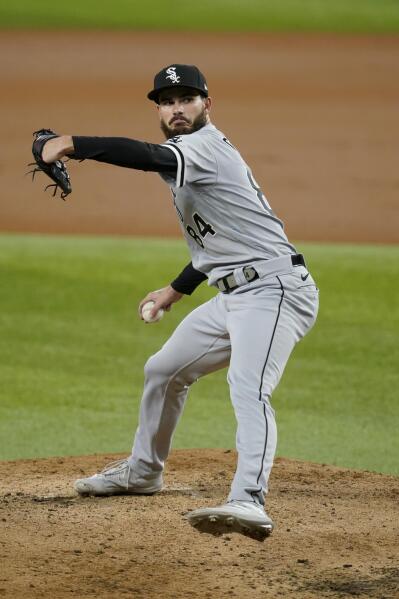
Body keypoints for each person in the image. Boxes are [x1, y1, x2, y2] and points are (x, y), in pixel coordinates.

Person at [38, 64, 319, 539]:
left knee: (248, 387)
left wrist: (71, 144)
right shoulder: (189, 155)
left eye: (186, 99)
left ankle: (249, 499)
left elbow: (145, 156)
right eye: (167, 102)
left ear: (207, 104)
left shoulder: (204, 148)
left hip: (274, 291)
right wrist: (174, 291)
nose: (176, 109)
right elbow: (219, 244)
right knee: (164, 370)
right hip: (235, 294)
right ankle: (144, 471)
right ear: (159, 109)